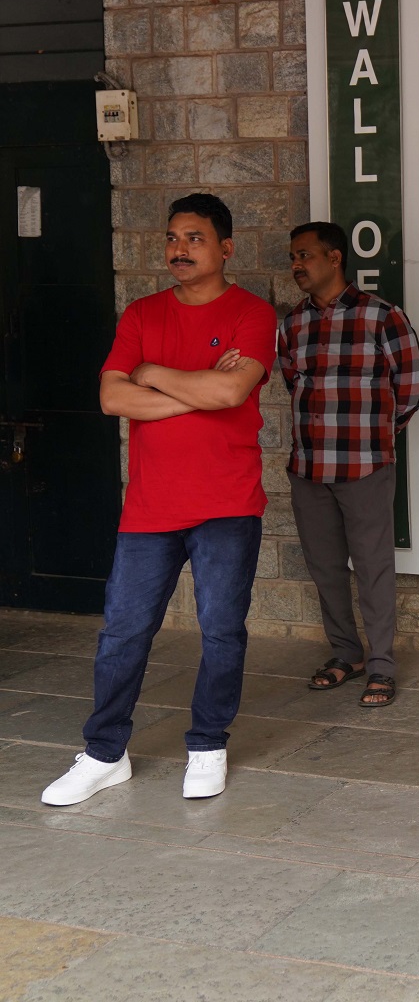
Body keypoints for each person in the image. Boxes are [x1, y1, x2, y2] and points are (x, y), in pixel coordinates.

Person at [41, 194, 276, 806]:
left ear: (226, 247)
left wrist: (151, 374)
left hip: (227, 503)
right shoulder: (142, 314)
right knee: (122, 633)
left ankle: (207, 744)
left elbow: (233, 390)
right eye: (172, 238)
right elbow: (112, 400)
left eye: (194, 238)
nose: (179, 249)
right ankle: (104, 753)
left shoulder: (254, 313)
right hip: (149, 508)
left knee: (221, 631)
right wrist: (198, 391)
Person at [280, 221, 419, 708]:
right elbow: (292, 382)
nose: (297, 266)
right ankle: (347, 654)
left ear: (335, 257)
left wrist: (377, 433)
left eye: (306, 256)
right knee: (324, 568)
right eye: (294, 258)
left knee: (373, 568)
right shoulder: (292, 323)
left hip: (365, 465)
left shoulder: (381, 317)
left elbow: (411, 385)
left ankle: (382, 664)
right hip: (309, 468)